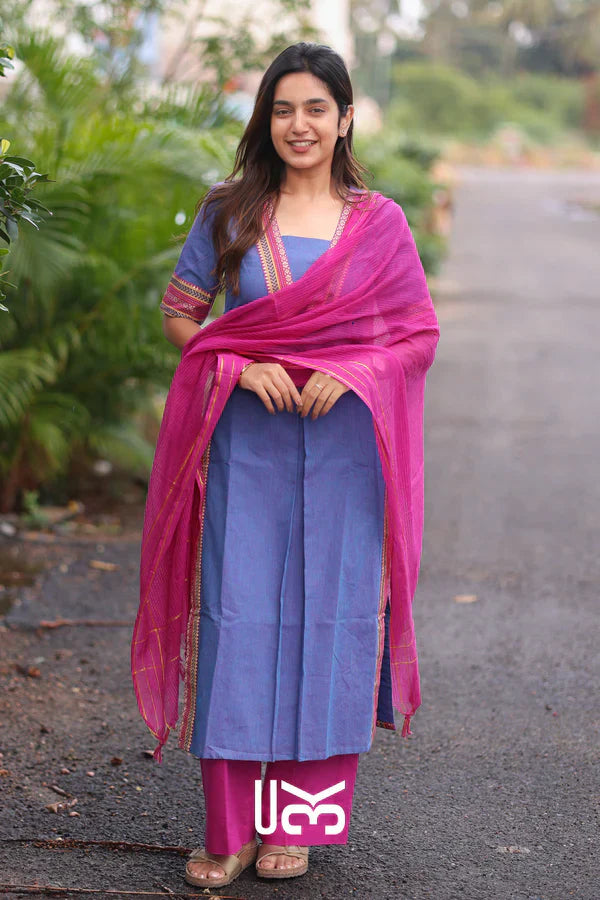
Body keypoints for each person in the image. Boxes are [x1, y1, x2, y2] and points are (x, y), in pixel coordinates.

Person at [131, 42, 440, 889]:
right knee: (239, 621)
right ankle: (230, 831)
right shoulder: (229, 209)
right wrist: (235, 365)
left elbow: (417, 335)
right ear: (265, 119)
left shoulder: (380, 223)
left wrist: (357, 371)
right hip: (248, 445)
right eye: (282, 109)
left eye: (315, 108)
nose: (298, 125)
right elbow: (182, 315)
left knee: (332, 622)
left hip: (345, 452)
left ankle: (295, 822)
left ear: (345, 119)